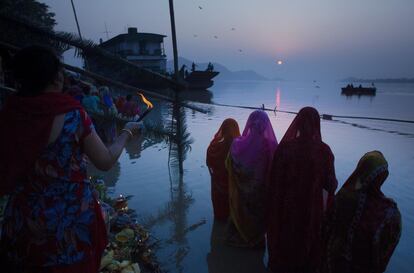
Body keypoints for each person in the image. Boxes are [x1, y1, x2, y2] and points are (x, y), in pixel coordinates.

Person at [0, 45, 143, 273]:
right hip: (68, 225)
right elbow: (105, 161)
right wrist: (127, 132)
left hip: (21, 222)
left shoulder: (8, 114)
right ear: (57, 78)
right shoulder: (73, 115)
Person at [267, 106, 338, 273]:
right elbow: (330, 184)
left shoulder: (285, 149)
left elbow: (274, 180)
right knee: (307, 242)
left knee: (286, 239)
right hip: (311, 209)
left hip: (286, 207)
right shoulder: (324, 151)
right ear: (316, 125)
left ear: (297, 124)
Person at [322, 151, 401, 273]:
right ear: (382, 176)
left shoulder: (343, 196)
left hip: (333, 263)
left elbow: (327, 226)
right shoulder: (389, 211)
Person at [226, 110, 277, 247]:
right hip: (259, 191)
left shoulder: (237, 144)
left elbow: (230, 164)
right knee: (257, 217)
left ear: (249, 123)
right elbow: (274, 169)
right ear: (266, 125)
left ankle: (240, 238)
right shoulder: (270, 145)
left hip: (242, 193)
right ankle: (255, 240)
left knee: (242, 213)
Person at [206, 119, 241, 220]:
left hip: (217, 192)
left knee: (219, 218)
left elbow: (209, 167)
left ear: (223, 130)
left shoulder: (213, 147)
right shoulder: (239, 150)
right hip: (232, 194)